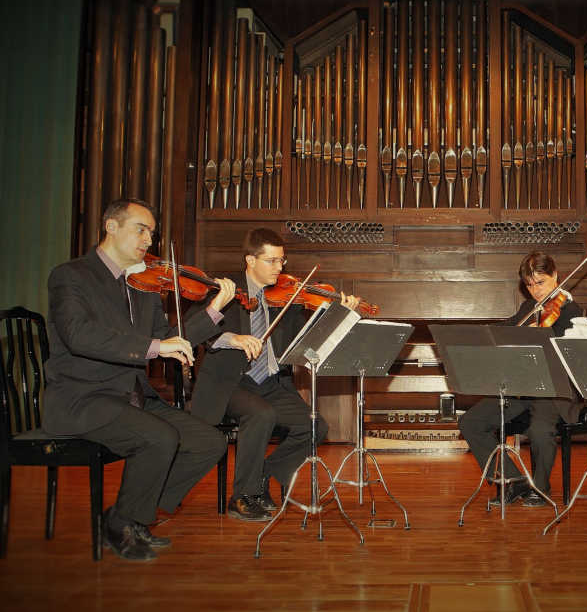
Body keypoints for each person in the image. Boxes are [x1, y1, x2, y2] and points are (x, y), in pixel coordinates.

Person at [43, 199, 233, 561]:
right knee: (159, 437)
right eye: (140, 229)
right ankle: (124, 523)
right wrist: (155, 346)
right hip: (83, 397)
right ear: (111, 226)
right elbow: (78, 335)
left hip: (131, 397)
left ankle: (127, 515)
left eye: (152, 233)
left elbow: (171, 337)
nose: (149, 239)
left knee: (209, 441)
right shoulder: (71, 276)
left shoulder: (142, 286)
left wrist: (212, 310)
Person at [191, 228, 360, 521]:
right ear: (250, 260)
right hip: (231, 384)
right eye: (271, 261)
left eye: (282, 261)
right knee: (261, 414)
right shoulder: (225, 290)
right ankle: (241, 497)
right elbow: (197, 331)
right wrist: (233, 337)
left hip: (271, 384)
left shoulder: (288, 297)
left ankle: (262, 477)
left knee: (314, 426)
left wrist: (339, 317)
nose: (279, 268)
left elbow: (308, 343)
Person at [458, 251, 584, 508]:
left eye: (541, 283)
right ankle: (513, 481)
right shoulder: (529, 309)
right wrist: (487, 333)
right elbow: (510, 326)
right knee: (471, 421)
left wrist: (538, 335)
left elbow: (568, 353)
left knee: (539, 429)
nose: (535, 291)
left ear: (556, 276)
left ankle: (540, 487)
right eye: (529, 285)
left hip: (553, 391)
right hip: (522, 388)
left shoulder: (570, 310)